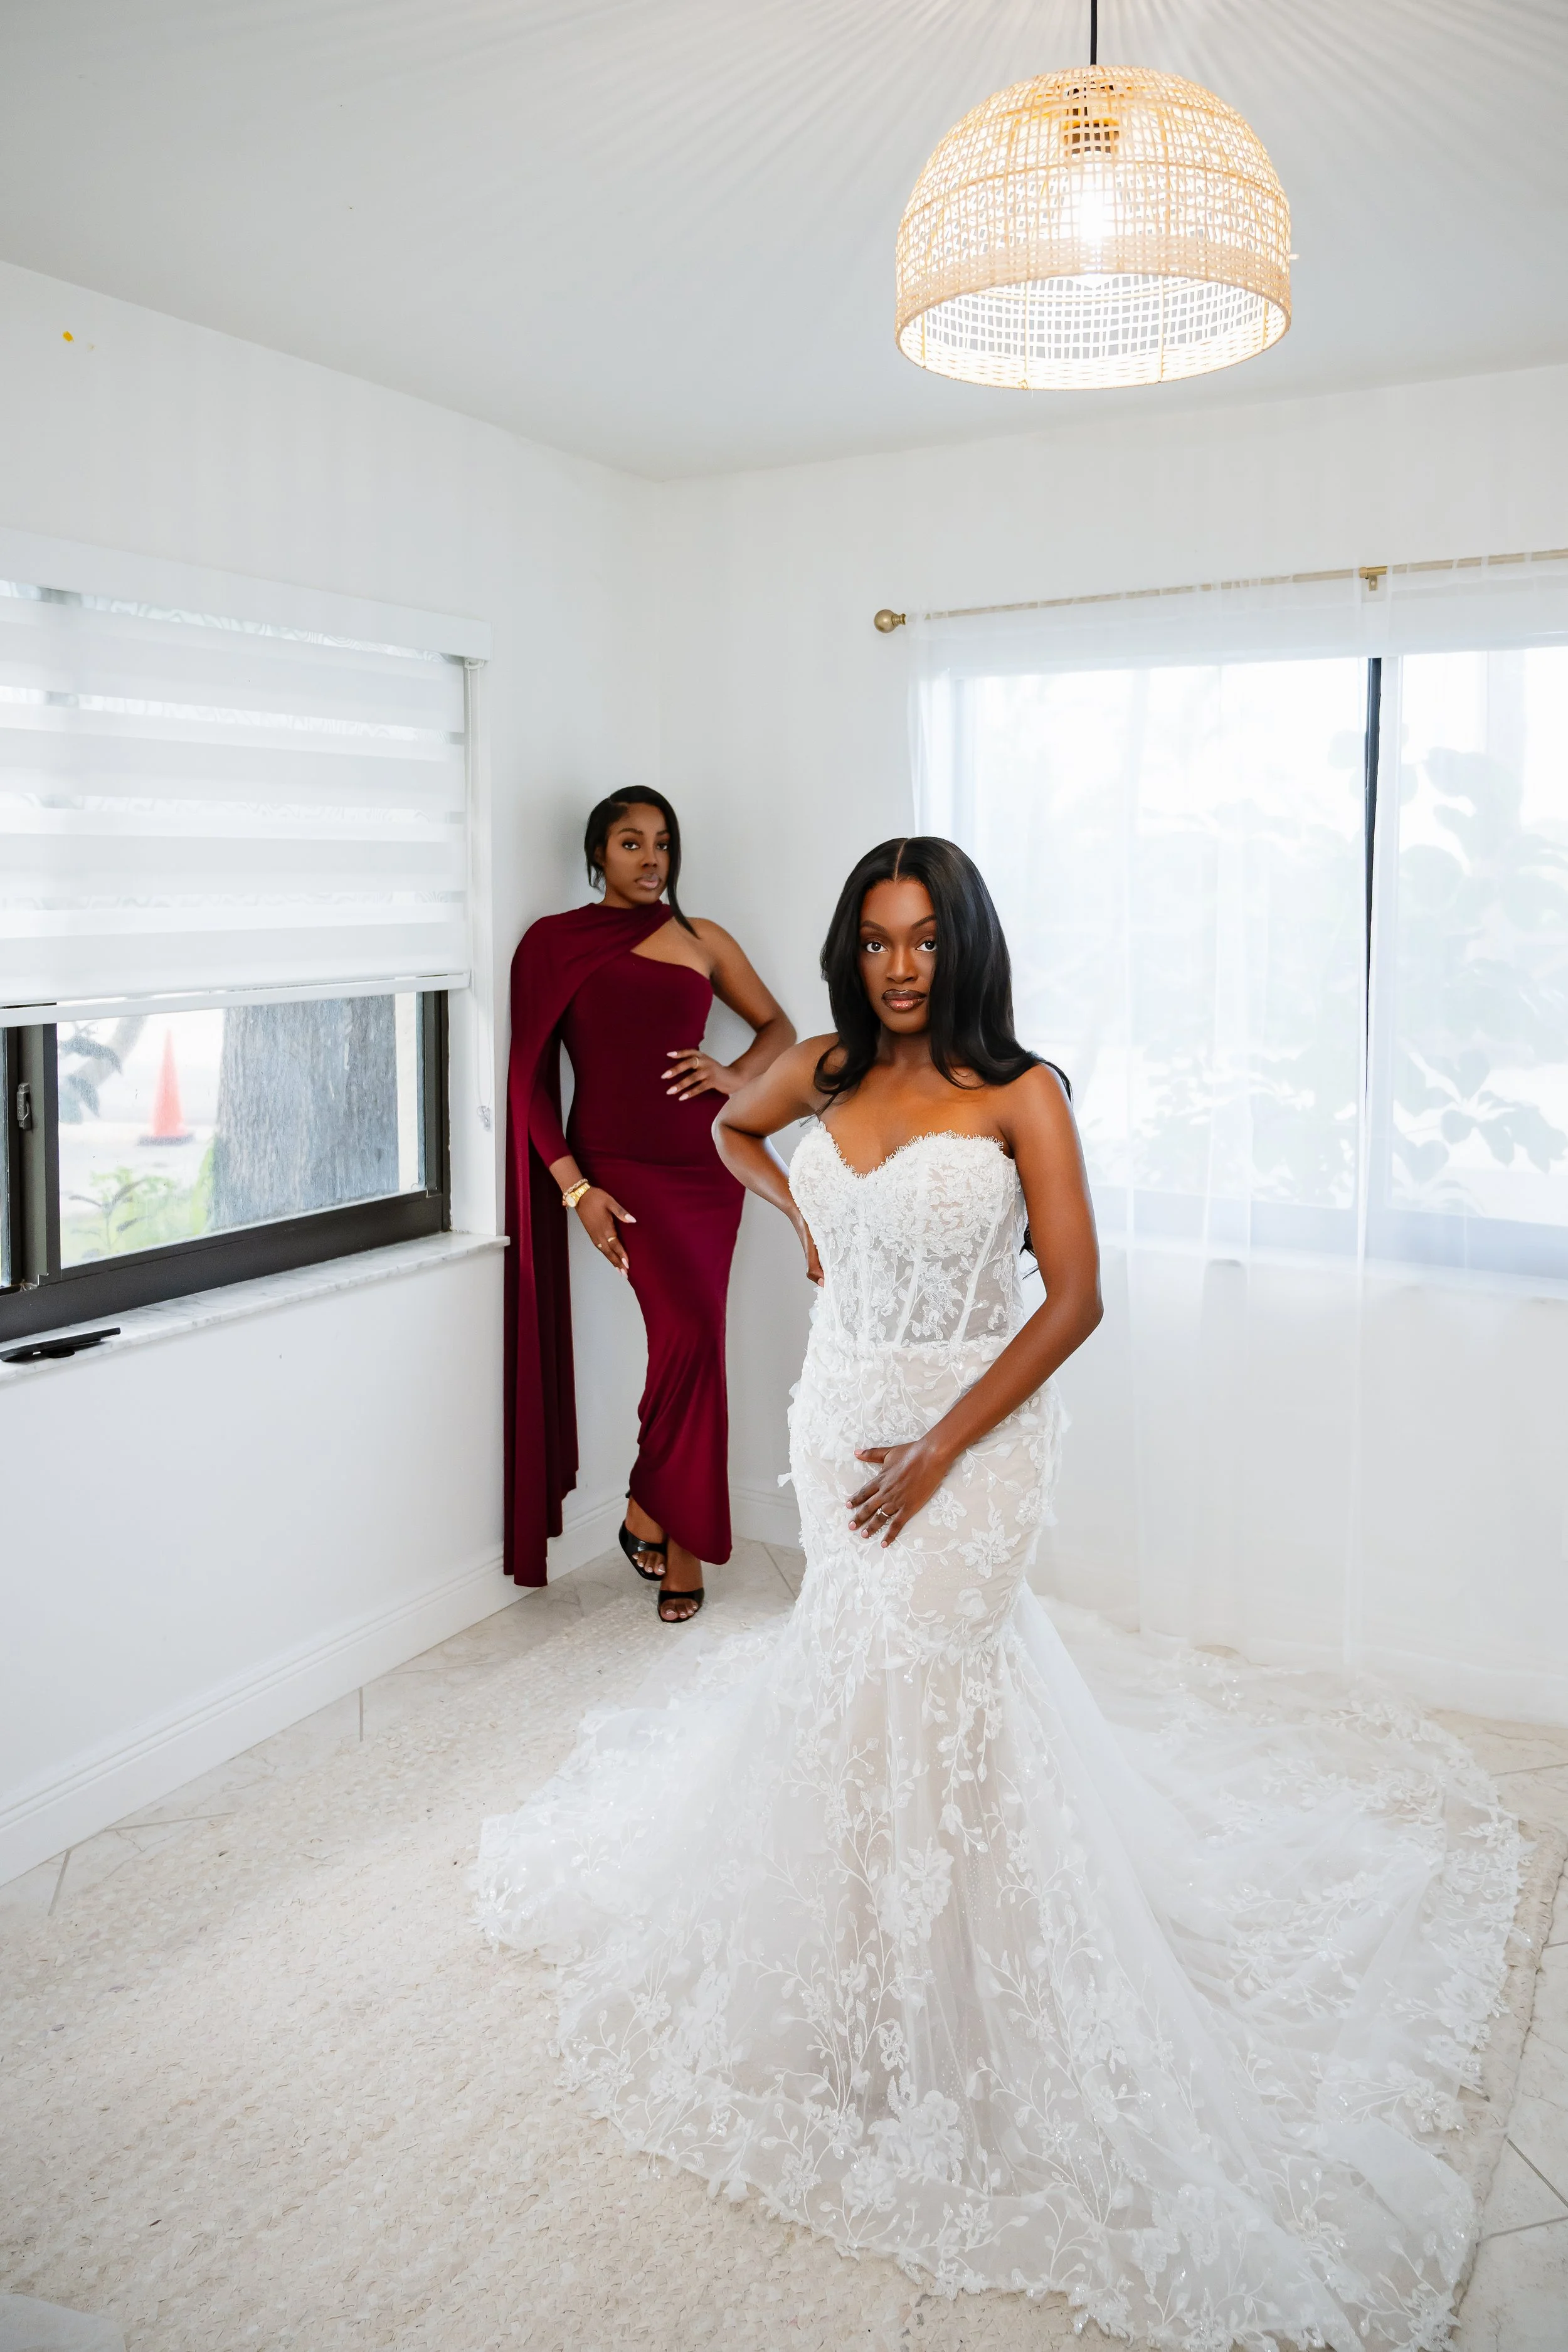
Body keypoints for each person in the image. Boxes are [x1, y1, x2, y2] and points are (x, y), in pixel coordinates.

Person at [479, 835, 1519, 2350]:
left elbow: (1075, 1297)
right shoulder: (820, 1068)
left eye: (924, 941)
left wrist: (941, 1448)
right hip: (840, 1413)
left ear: (964, 946)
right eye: (876, 941)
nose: (899, 968)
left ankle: (971, 1986)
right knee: (857, 1681)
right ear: (851, 951)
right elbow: (726, 1130)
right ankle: (858, 1963)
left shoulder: (1022, 1093)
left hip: (971, 1441)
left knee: (941, 1672)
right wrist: (802, 1216)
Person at [503, 790, 793, 1618]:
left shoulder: (704, 939)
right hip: (618, 1169)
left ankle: (661, 1517)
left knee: (695, 1338)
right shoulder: (553, 943)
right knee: (686, 1337)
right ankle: (669, 1523)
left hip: (707, 1166)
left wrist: (732, 1075)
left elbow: (776, 1028)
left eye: (662, 843)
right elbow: (528, 1083)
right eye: (631, 842)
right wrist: (576, 1189)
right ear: (597, 853)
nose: (651, 858)